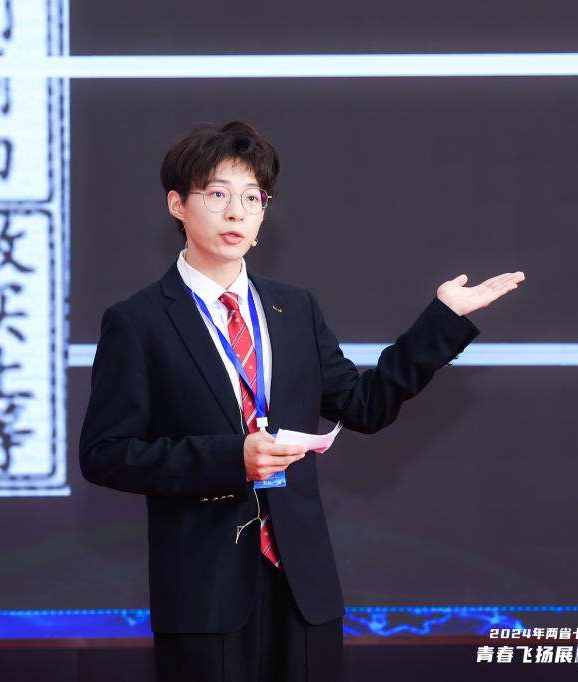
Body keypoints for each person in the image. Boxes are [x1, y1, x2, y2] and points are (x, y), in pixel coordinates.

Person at [79, 121, 524, 682]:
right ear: (177, 205)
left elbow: (364, 405)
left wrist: (444, 321)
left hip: (303, 587)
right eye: (217, 195)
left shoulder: (294, 309)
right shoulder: (138, 321)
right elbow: (105, 453)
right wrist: (231, 458)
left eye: (253, 198)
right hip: (204, 590)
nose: (236, 213)